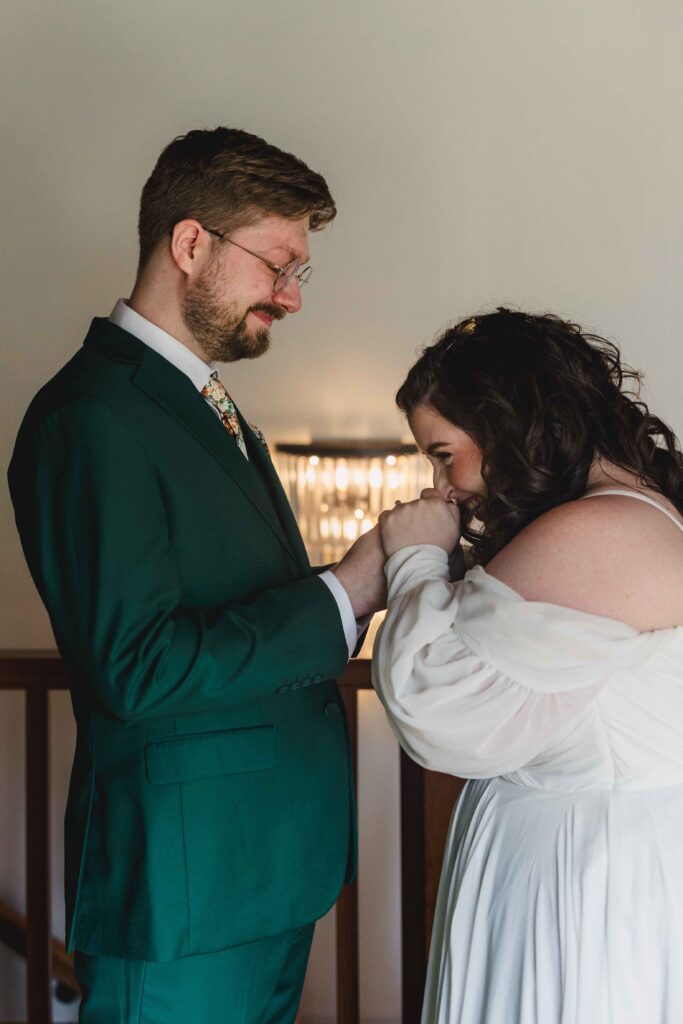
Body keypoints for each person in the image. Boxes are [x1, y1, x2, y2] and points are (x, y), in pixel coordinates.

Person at [8, 126, 385, 1024]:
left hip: (257, 872)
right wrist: (345, 590)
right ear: (190, 244)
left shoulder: (194, 400)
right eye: (277, 264)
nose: (291, 297)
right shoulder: (93, 416)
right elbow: (137, 665)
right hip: (187, 892)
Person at [372, 308, 683, 1023]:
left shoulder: (601, 529)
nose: (442, 486)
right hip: (581, 859)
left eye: (443, 452)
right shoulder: (626, 514)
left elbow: (434, 706)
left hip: (587, 883)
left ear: (503, 419)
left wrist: (414, 557)